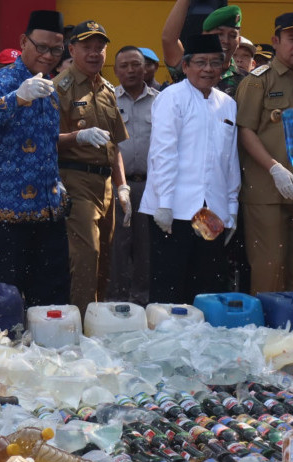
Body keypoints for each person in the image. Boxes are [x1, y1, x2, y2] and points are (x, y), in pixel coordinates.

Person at [0, 10, 70, 308]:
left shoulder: (50, 88)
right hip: (4, 214)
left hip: (47, 211)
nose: (49, 55)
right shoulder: (1, 82)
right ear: (24, 41)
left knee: (51, 301)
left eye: (56, 49)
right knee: (4, 303)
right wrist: (17, 98)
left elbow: (44, 145)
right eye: (41, 47)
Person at [139, 34, 240, 303]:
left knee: (207, 284)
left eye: (215, 63)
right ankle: (166, 341)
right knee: (169, 286)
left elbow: (230, 161)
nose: (208, 69)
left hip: (211, 211)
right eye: (200, 62)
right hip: (173, 210)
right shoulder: (172, 97)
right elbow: (163, 153)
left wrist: (231, 209)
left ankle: (203, 342)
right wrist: (164, 202)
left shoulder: (227, 104)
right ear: (185, 66)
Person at [235, 12, 293, 294]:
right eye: (292, 40)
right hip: (266, 193)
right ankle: (266, 334)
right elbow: (245, 131)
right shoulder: (257, 81)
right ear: (276, 41)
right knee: (270, 266)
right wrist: (274, 168)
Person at [54, 20, 130, 317]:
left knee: (105, 258)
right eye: (87, 47)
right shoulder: (60, 88)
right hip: (74, 179)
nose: (95, 53)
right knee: (87, 256)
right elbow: (43, 141)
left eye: (100, 47)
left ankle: (96, 319)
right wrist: (77, 137)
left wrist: (122, 186)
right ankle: (80, 324)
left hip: (106, 184)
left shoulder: (108, 90)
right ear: (71, 49)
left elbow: (116, 145)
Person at [109, 45, 159, 305]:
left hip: (151, 185)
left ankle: (143, 302)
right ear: (115, 70)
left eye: (136, 64)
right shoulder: (108, 99)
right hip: (118, 184)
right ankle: (116, 302)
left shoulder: (160, 100)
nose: (130, 70)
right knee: (117, 245)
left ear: (146, 68)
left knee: (147, 246)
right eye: (124, 65)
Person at [162, 2, 244, 96]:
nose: (226, 40)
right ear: (205, 36)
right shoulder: (191, 67)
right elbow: (169, 40)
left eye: (233, 35)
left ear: (239, 41)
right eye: (219, 34)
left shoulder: (246, 80)